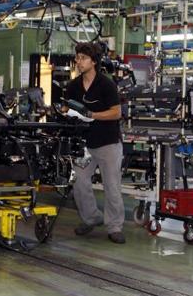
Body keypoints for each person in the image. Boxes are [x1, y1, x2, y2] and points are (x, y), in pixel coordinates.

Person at [65, 42, 126, 244]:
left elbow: (116, 112)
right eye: (77, 58)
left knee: (112, 185)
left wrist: (92, 115)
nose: (78, 61)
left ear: (94, 61)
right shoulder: (73, 86)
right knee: (79, 182)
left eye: (82, 58)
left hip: (108, 142)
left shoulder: (106, 84)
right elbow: (67, 110)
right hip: (84, 144)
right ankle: (91, 218)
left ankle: (115, 226)